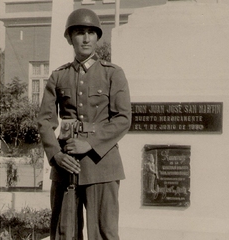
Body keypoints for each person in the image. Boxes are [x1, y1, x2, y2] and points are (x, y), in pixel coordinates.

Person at [37, 8, 131, 240]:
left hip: (102, 164)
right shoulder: (58, 76)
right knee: (63, 232)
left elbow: (122, 119)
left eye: (91, 32)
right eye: (79, 32)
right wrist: (56, 156)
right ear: (70, 38)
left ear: (98, 37)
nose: (86, 38)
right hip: (65, 165)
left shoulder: (113, 74)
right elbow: (45, 121)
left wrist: (88, 143)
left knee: (103, 232)